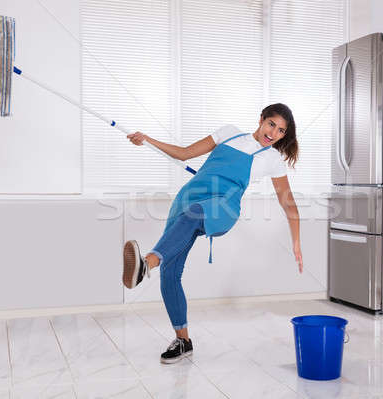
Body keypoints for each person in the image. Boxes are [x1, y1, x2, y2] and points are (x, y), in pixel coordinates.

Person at [123, 103, 303, 364]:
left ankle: (146, 263)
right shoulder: (228, 133)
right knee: (170, 272)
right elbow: (184, 154)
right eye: (271, 124)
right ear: (261, 119)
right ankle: (183, 341)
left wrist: (296, 241)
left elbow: (288, 203)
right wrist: (147, 139)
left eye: (281, 131)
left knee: (194, 214)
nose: (273, 133)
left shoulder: (272, 159)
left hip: (223, 205)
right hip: (188, 199)